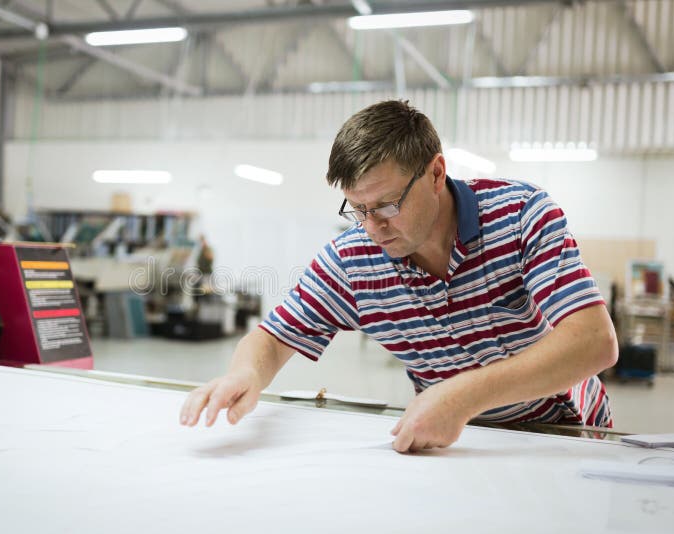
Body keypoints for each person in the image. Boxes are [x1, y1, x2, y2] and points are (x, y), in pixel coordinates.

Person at [179, 100, 618, 453]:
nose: (372, 226)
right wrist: (247, 374)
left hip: (563, 431)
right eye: (358, 209)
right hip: (453, 438)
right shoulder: (353, 259)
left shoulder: (521, 215)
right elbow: (273, 338)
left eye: (387, 205)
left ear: (436, 173)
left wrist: (461, 396)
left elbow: (593, 342)